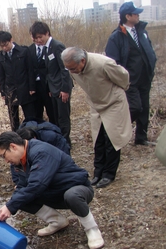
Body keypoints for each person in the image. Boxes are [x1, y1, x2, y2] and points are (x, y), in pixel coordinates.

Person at [0, 131, 104, 249]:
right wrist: (10, 205)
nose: (6, 161)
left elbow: (37, 185)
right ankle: (57, 222)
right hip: (55, 192)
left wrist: (10, 206)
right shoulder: (21, 160)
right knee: (20, 198)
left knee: (72, 195)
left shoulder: (41, 152)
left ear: (13, 147)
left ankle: (92, 229)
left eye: (3, 155)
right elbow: (22, 186)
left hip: (78, 188)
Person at [61, 47, 132, 189]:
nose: (71, 72)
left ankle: (108, 174)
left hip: (113, 103)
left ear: (82, 61)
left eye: (73, 68)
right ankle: (98, 172)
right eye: (68, 69)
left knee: (112, 139)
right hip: (96, 104)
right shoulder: (73, 68)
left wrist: (116, 92)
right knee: (98, 139)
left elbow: (123, 77)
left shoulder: (103, 64)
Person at [105, 1, 157, 146]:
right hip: (129, 80)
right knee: (135, 107)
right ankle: (117, 131)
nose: (138, 15)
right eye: (135, 13)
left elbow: (149, 51)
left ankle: (141, 138)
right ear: (127, 16)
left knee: (145, 107)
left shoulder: (142, 32)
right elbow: (111, 62)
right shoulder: (116, 37)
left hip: (145, 77)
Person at [30, 21, 73, 146]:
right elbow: (49, 71)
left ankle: (65, 142)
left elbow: (65, 69)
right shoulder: (46, 48)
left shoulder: (57, 46)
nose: (38, 40)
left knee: (63, 117)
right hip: (53, 88)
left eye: (40, 37)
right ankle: (59, 140)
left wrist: (65, 89)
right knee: (55, 116)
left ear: (47, 33)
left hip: (61, 88)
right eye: (36, 38)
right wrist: (49, 88)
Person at [0, 31, 36, 131]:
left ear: (11, 40)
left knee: (30, 116)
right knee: (13, 119)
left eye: (6, 45)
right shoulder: (0, 56)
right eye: (2, 46)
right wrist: (2, 91)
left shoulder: (23, 51)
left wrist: (32, 87)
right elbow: (1, 75)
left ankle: (32, 136)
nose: (4, 48)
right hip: (10, 90)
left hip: (25, 88)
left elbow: (30, 70)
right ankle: (16, 139)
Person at [27, 32, 55, 123]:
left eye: (39, 37)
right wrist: (31, 87)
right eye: (34, 37)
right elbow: (29, 69)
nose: (37, 40)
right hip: (35, 87)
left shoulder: (48, 48)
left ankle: (54, 130)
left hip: (47, 85)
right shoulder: (29, 49)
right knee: (37, 112)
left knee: (51, 111)